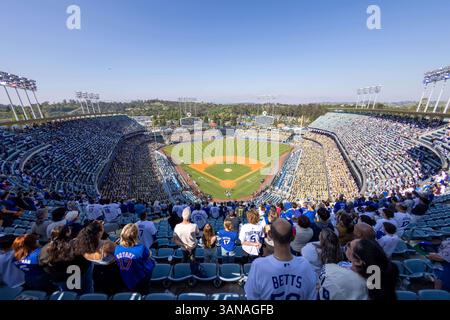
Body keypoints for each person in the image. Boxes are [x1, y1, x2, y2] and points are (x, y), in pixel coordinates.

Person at [244, 219, 317, 300]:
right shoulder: (306, 265)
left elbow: (251, 296)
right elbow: (312, 295)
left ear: (270, 235)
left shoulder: (258, 265)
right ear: (293, 237)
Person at [114, 223, 155, 294]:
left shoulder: (117, 248)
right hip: (140, 278)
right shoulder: (141, 248)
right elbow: (148, 255)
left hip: (126, 277)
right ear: (136, 235)